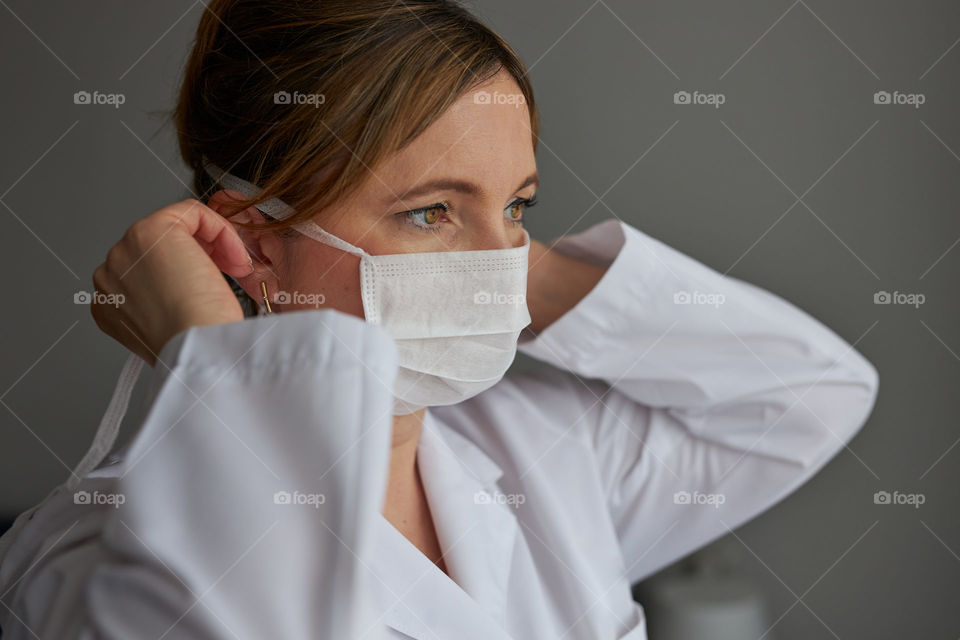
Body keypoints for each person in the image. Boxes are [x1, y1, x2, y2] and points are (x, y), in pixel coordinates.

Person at [0, 1, 879, 638]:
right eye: (431, 211)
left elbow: (809, 393)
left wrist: (503, 259)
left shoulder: (544, 460)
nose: (497, 258)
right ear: (252, 245)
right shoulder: (99, 549)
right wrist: (211, 358)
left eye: (521, 205)